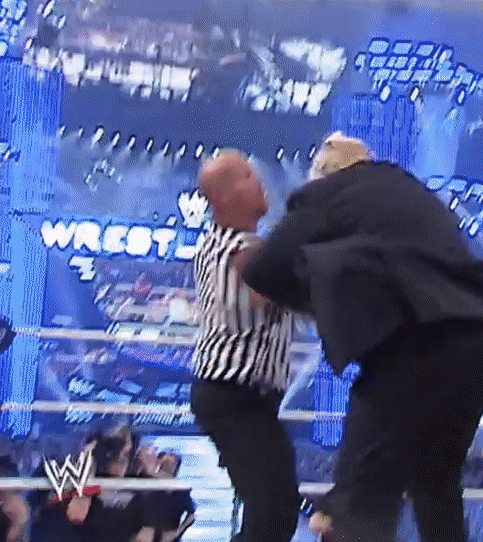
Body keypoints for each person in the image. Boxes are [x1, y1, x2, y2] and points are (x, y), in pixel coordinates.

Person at [242, 133, 483, 542]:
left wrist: (311, 299)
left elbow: (263, 268)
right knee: (435, 477)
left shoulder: (327, 194)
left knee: (363, 493)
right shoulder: (406, 189)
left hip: (420, 342)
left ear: (322, 174)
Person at [189, 151, 301, 542]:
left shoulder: (216, 243)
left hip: (236, 397)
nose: (261, 183)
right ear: (225, 198)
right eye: (249, 177)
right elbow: (272, 292)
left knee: (272, 511)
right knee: (273, 514)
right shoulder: (243, 251)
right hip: (236, 396)